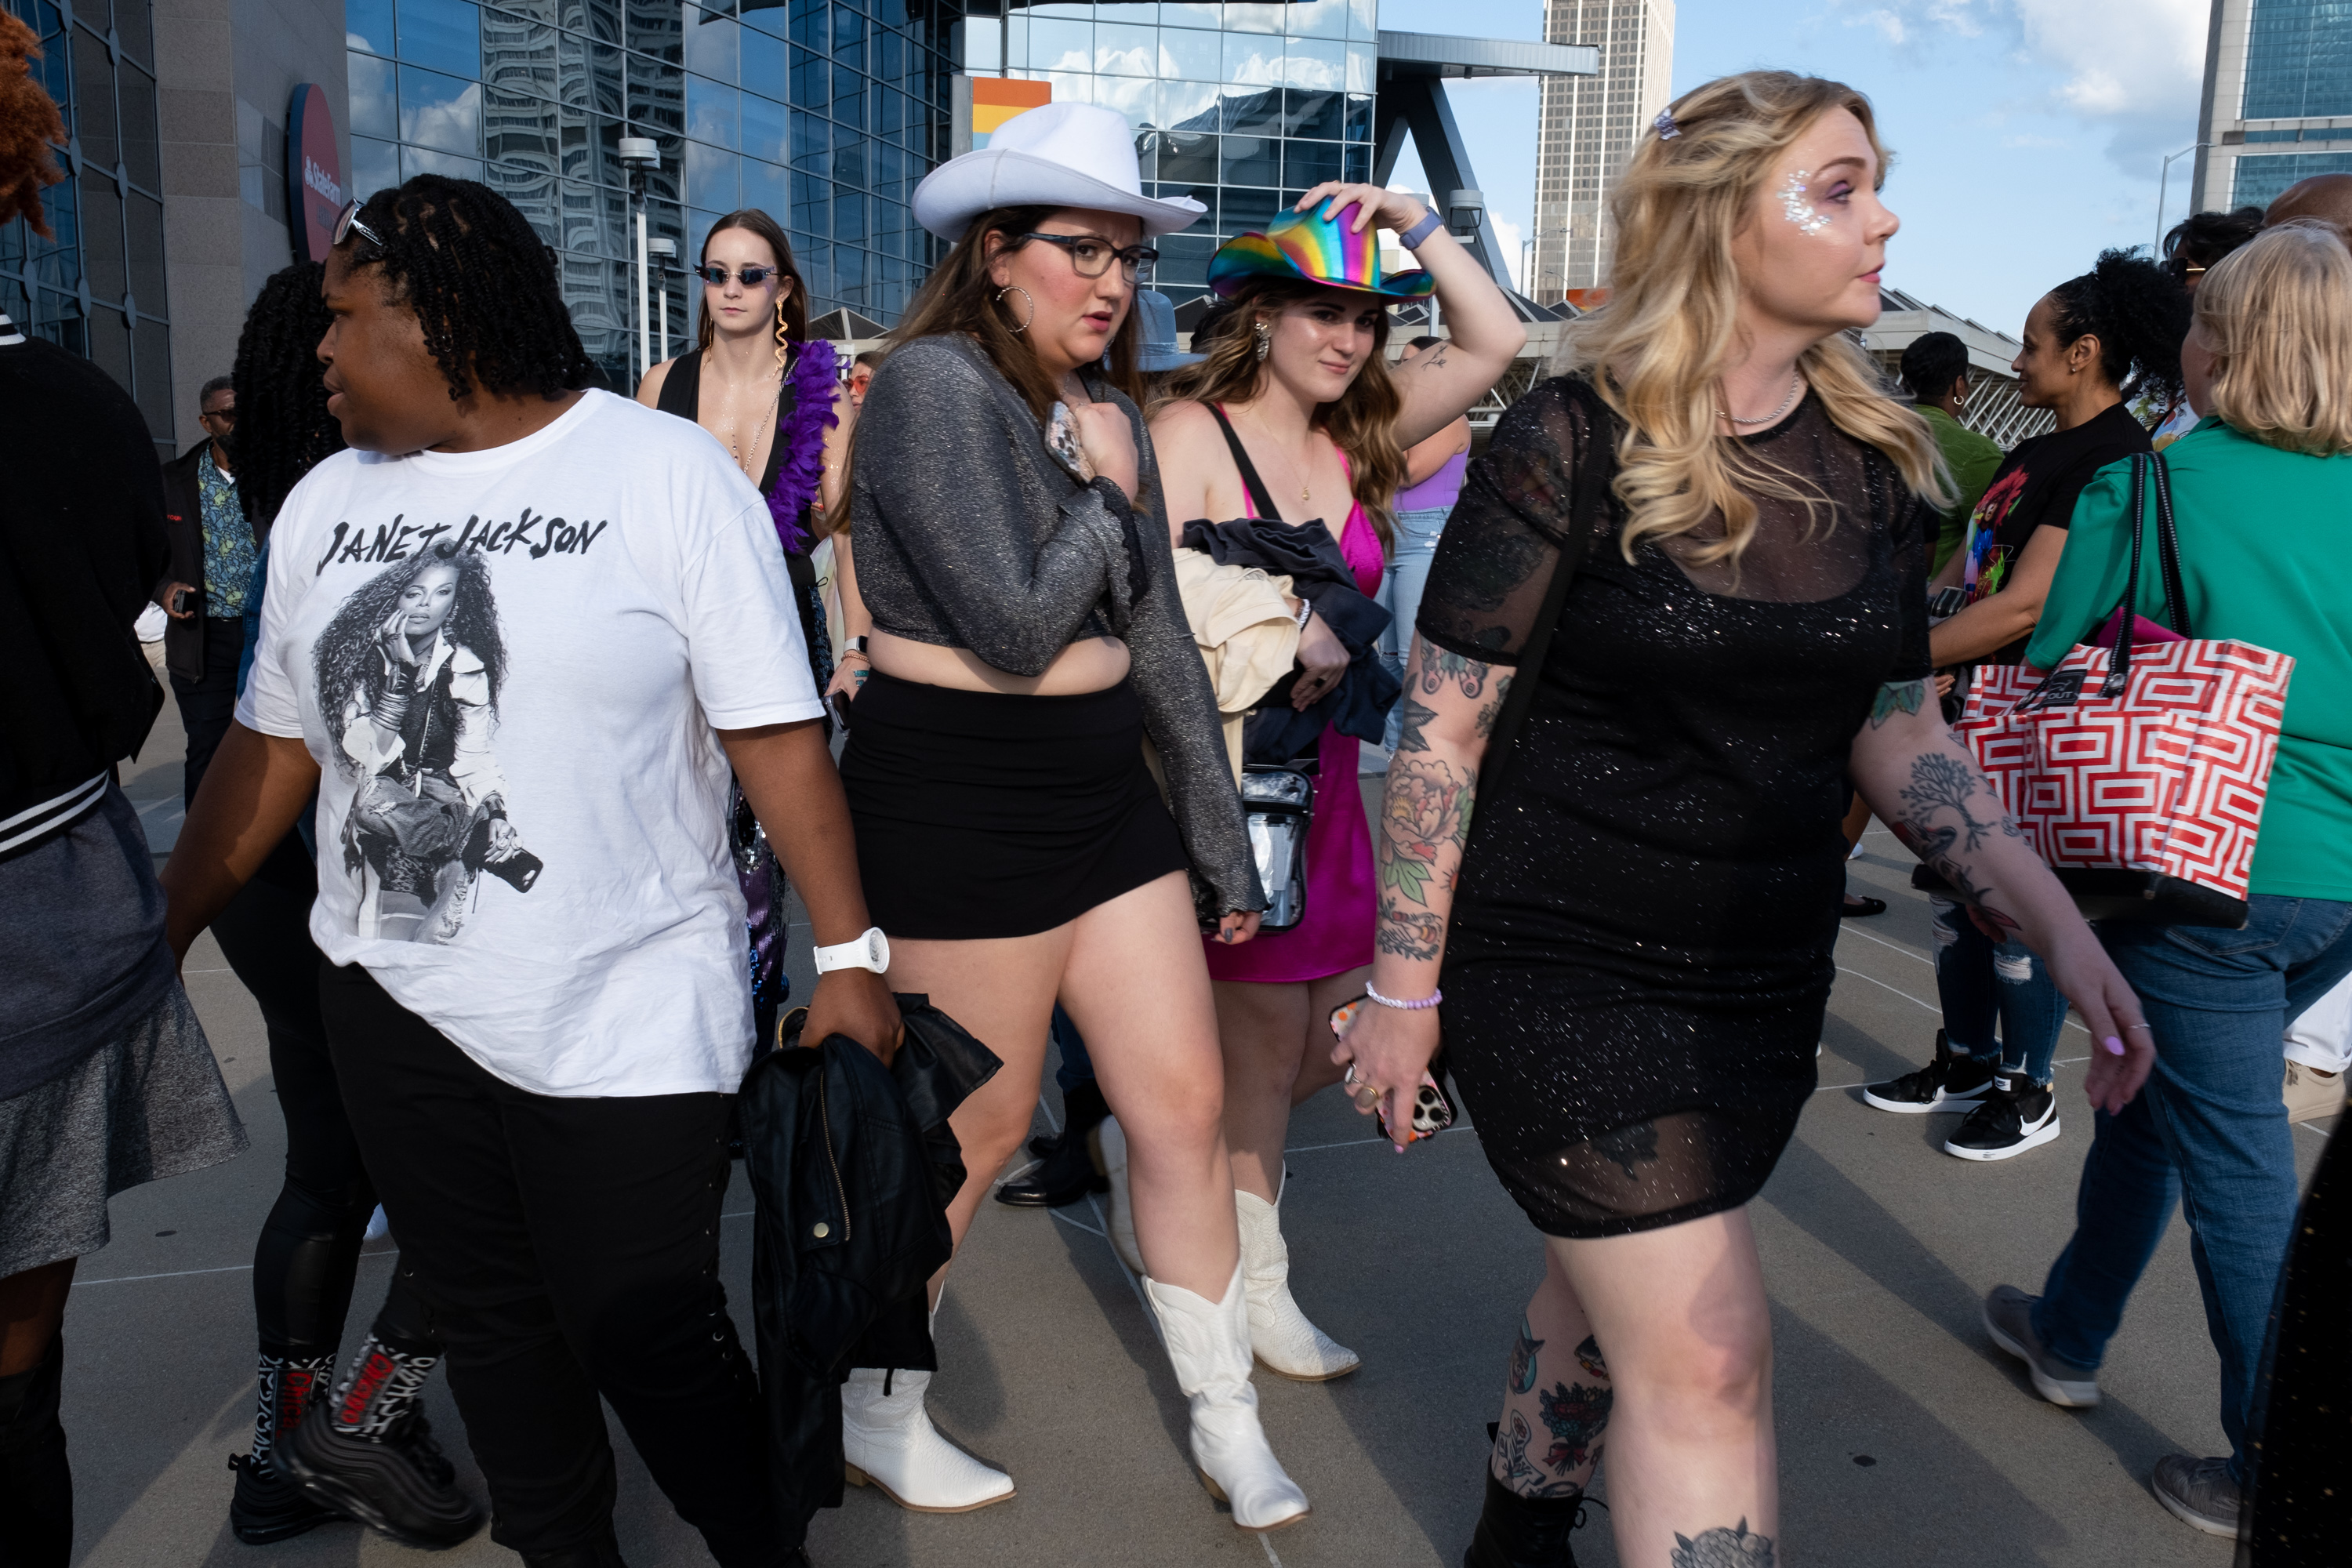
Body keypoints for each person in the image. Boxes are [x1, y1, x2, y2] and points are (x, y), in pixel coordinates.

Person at [1330, 72, 2154, 1568]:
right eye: (1837, 187)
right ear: (1720, 218)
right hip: (1563, 962)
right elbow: (1443, 728)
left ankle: (1515, 1539)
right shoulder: (1570, 440)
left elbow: (1898, 731)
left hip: (1758, 977)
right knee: (1707, 1358)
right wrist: (1403, 990)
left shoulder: (1881, 463)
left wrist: (2051, 919)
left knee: (1600, 1298)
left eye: (1876, 183)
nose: (1885, 215)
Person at [160, 173, 901, 1568]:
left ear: (441, 319)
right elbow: (266, 760)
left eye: (345, 317)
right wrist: (156, 939)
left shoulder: (663, 477)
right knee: (499, 1331)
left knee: (646, 1329)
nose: (318, 352)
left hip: (627, 1004)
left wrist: (851, 962)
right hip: (399, 1006)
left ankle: (760, 1548)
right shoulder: (326, 502)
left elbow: (780, 748)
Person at [837, 100, 1306, 1530]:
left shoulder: (1094, 410)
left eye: (1125, 256)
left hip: (1105, 804)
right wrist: (1109, 493)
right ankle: (876, 1401)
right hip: (959, 805)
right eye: (1077, 249)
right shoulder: (930, 389)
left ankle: (1227, 1418)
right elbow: (1018, 624)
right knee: (969, 1138)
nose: (1109, 281)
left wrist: (1215, 833)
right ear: (994, 251)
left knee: (1181, 1106)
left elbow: (1156, 636)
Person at [1984, 219, 2352, 1542]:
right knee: (2168, 1105)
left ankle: (2271, 1466)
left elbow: (2060, 657)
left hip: (2209, 877)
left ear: (2226, 348)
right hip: (2341, 888)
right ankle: (2069, 1329)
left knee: (2242, 1167)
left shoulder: (2154, 489)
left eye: (2201, 322)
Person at [1147, 188, 1524, 1381]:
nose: (1348, 338)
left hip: (1331, 786)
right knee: (1264, 1051)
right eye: (1322, 311)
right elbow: (1143, 607)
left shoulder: (1362, 438)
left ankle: (1171, 1153)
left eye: (1364, 316)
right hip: (1222, 788)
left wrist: (1416, 222)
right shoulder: (1187, 432)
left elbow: (1496, 340)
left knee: (1333, 1035)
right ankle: (1259, 1292)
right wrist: (1278, 620)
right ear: (1259, 315)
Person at [0, 21, 249, 1555]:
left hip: (42, 915)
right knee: (20, 1374)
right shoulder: (84, 413)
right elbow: (112, 676)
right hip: (50, 910)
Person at [204, 261, 478, 1551]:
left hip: (261, 863)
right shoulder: (379, 509)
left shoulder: (289, 508)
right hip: (363, 869)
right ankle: (360, 1421)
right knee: (479, 1170)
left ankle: (282, 1453)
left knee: (327, 1167)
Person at [1864, 249, 2185, 1161]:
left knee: (2015, 908)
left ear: (2084, 352)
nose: (2017, 360)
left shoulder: (2113, 456)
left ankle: (2029, 1086)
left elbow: (2027, 602)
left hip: (2039, 709)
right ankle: (1966, 1058)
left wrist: (1891, 656)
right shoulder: (2040, 448)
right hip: (1979, 696)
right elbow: (1975, 577)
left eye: (2036, 344)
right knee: (1958, 898)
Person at [637, 209, 852, 1046]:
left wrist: (859, 644)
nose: (729, 289)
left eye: (750, 274)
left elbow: (842, 526)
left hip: (782, 626)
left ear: (783, 289)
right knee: (682, 828)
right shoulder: (661, 386)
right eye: (715, 272)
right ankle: (693, 1018)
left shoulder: (816, 384)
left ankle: (753, 1026)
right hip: (676, 634)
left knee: (761, 845)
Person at [154, 374, 256, 804]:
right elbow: (141, 552)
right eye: (230, 414)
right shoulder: (172, 482)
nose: (242, 423)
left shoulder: (281, 479)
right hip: (202, 636)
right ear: (205, 421)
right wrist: (163, 589)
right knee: (207, 749)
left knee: (278, 746)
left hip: (266, 633)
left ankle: (279, 860)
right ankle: (201, 863)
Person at [1377, 335, 1474, 755]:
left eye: (1415, 364)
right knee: (1382, 659)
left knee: (1411, 661)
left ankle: (1415, 756)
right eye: (1400, 363)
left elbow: (1408, 472)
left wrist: (1362, 446)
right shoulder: (1392, 420)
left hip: (1426, 538)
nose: (1403, 373)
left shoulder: (1450, 417)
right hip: (1386, 532)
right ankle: (1391, 754)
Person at [2149, 207, 2263, 448]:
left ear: (2229, 277)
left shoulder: (2257, 394)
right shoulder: (2155, 374)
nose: (2171, 281)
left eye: (2182, 269)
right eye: (2167, 269)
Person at [1896, 330, 2002, 573]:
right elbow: (1991, 544)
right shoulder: (1978, 453)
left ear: (1903, 384)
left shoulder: (1875, 432)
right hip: (1936, 602)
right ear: (1959, 386)